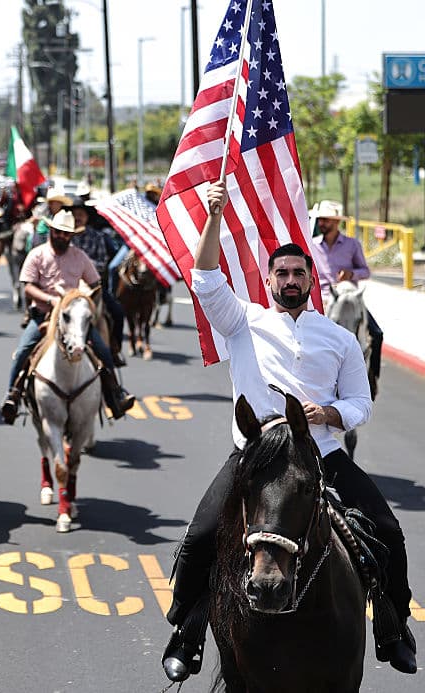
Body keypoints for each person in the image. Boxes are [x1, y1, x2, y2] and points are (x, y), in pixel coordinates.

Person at [160, 180, 415, 682]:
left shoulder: (338, 339)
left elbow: (361, 404)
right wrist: (213, 215)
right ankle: (186, 633)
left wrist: (329, 415)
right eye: (283, 272)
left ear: (309, 281)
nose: (291, 279)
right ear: (271, 280)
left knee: (387, 533)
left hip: (321, 453)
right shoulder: (243, 322)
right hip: (258, 456)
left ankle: (392, 627)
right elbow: (205, 276)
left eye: (299, 272)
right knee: (199, 539)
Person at [0, 210, 135, 424]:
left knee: (103, 351)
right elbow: (27, 287)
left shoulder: (80, 257)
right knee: (25, 349)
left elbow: (95, 284)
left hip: (73, 319)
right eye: (59, 232)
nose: (62, 236)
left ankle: (115, 395)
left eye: (66, 234)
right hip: (44, 316)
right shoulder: (37, 254)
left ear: (72, 235)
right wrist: (50, 299)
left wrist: (83, 296)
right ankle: (12, 395)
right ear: (51, 231)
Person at [308, 200, 384, 386]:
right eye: (320, 220)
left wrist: (351, 274)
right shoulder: (312, 246)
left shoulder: (352, 245)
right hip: (324, 298)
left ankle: (371, 377)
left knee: (377, 333)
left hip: (349, 297)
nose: (321, 224)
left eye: (326, 220)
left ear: (336, 223)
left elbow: (365, 271)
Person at [69, 195, 127, 366]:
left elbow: (101, 263)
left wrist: (82, 263)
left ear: (87, 217)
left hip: (91, 286)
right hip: (66, 287)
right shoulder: (63, 235)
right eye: (75, 214)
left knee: (117, 312)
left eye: (81, 214)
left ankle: (115, 350)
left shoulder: (97, 237)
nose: (78, 217)